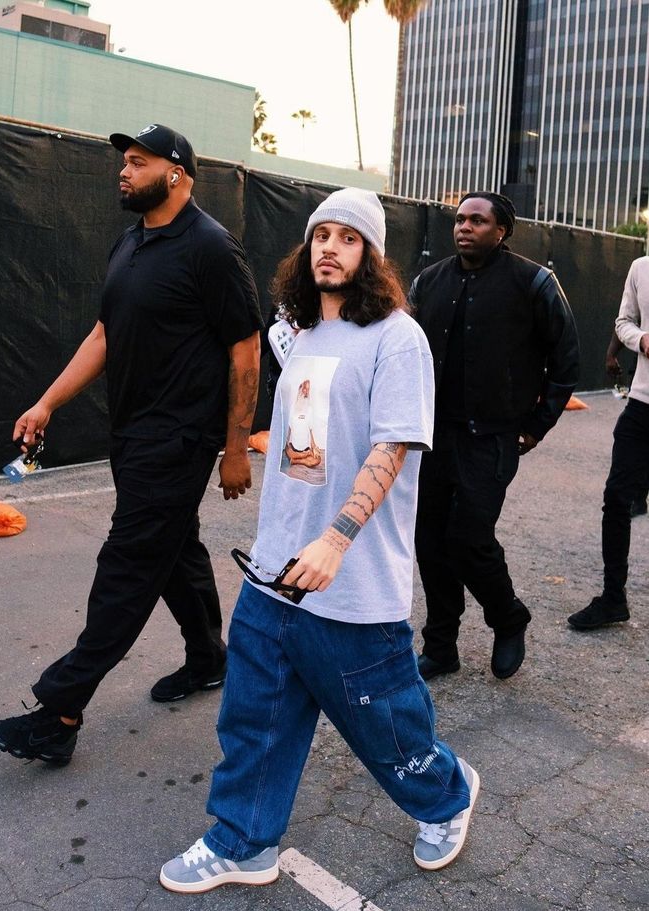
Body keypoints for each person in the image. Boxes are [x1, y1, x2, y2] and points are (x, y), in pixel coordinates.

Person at [159, 187, 479, 894]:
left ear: (371, 255)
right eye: (320, 234)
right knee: (253, 721)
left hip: (351, 582)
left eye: (348, 237)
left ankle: (446, 795)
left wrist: (335, 539)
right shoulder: (299, 332)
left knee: (388, 731)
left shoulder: (397, 337)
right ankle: (243, 840)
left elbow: (393, 445)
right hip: (273, 572)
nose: (329, 246)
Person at [0, 122, 262, 764]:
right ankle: (209, 658)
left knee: (127, 567)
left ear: (177, 174)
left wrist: (236, 447)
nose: (124, 172)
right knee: (176, 550)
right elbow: (103, 334)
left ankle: (59, 712)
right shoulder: (131, 242)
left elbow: (246, 352)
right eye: (124, 162)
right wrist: (47, 402)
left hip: (179, 439)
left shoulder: (212, 249)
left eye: (138, 162)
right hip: (132, 433)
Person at [410, 192, 580, 681]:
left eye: (477, 221)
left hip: (493, 437)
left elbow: (565, 361)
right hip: (435, 436)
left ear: (501, 230)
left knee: (468, 538)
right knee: (430, 541)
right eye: (460, 219)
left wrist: (535, 427)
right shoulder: (430, 281)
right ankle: (441, 646)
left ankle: (509, 618)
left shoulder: (535, 282)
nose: (464, 227)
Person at [568, 256, 649, 630]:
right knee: (617, 498)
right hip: (642, 404)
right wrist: (641, 339)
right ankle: (613, 597)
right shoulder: (640, 268)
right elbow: (624, 321)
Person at [604, 328, 648, 518]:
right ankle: (636, 496)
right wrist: (611, 354)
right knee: (633, 433)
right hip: (643, 370)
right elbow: (626, 318)